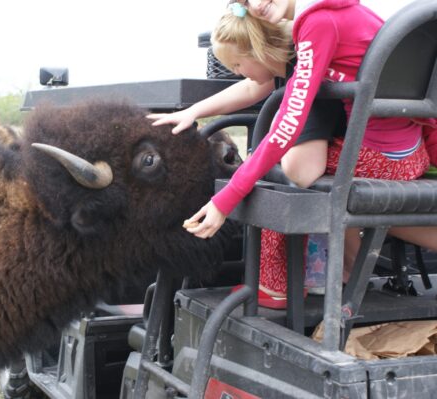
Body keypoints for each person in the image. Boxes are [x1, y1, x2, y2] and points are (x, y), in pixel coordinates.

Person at [150, 0, 437, 307]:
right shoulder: (334, 15)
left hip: (376, 158)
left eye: (236, 66)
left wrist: (225, 200)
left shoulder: (319, 23)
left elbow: (287, 125)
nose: (257, 4)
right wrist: (193, 111)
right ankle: (344, 271)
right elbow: (253, 88)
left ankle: (278, 284)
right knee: (306, 174)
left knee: (283, 175)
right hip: (407, 153)